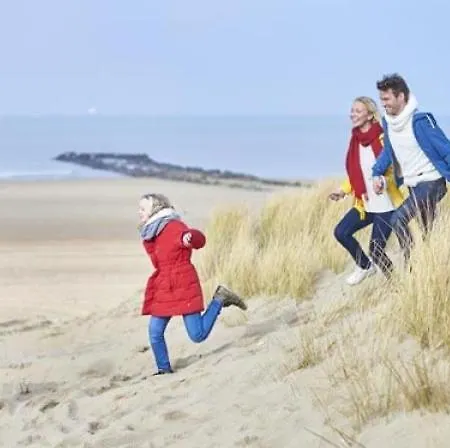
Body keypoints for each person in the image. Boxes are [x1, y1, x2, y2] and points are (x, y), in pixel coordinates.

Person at [138, 193, 247, 375]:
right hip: (164, 285)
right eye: (139, 208)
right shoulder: (152, 231)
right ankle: (164, 369)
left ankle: (220, 299)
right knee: (155, 331)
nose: (139, 212)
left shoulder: (173, 226)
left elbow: (198, 239)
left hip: (183, 283)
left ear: (156, 209)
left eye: (143, 208)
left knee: (197, 335)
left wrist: (189, 237)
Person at [372, 74, 450, 263]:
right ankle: (433, 265)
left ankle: (410, 264)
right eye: (381, 99)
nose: (383, 104)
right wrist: (376, 173)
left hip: (432, 182)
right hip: (413, 185)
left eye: (387, 99)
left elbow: (446, 149)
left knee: (398, 219)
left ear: (401, 97)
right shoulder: (389, 124)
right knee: (429, 231)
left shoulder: (421, 122)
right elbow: (388, 152)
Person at [329, 96, 404, 285]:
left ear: (370, 115)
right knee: (341, 232)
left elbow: (396, 172)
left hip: (386, 205)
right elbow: (357, 173)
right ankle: (365, 266)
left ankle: (397, 285)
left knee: (376, 251)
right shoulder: (355, 141)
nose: (353, 114)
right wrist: (343, 190)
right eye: (352, 110)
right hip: (365, 204)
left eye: (358, 111)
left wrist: (383, 182)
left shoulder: (383, 138)